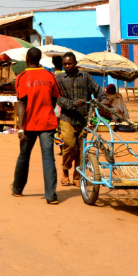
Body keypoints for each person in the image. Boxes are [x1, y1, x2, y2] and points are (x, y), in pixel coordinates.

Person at [11, 47, 62, 204]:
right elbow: (54, 99)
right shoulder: (50, 76)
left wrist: (20, 127)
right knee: (48, 157)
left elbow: (21, 103)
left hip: (28, 125)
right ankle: (51, 196)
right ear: (39, 59)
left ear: (27, 58)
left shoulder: (22, 77)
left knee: (24, 155)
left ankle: (17, 189)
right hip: (47, 123)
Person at [55, 52, 104, 186]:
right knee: (70, 145)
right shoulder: (59, 78)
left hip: (83, 118)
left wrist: (103, 99)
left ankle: (77, 177)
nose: (67, 66)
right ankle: (65, 171)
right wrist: (73, 104)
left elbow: (97, 89)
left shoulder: (85, 76)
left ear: (75, 63)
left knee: (82, 150)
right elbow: (58, 98)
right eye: (65, 64)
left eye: (70, 63)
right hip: (67, 118)